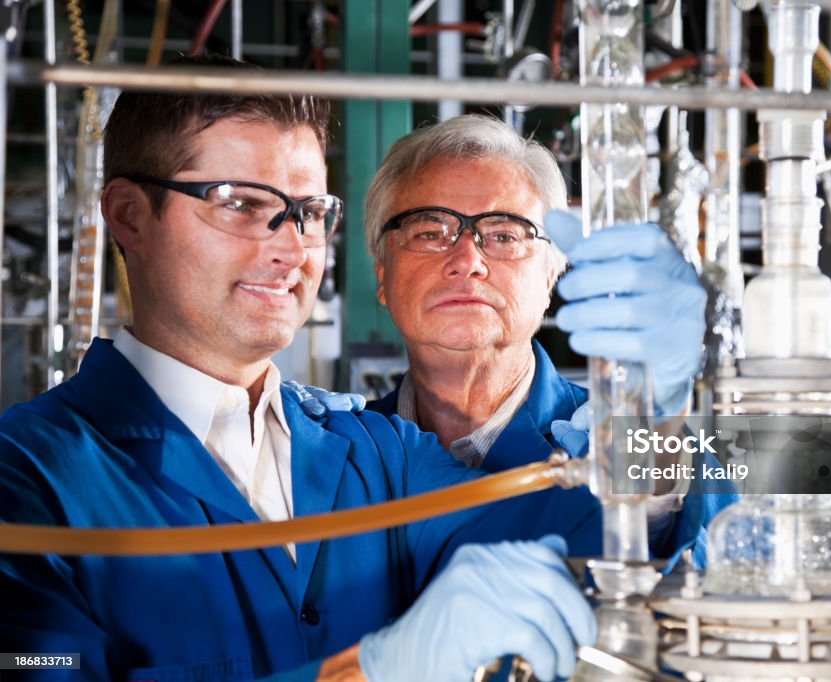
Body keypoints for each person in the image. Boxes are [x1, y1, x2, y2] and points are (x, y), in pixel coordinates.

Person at [0, 58, 605, 682]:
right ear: (129, 215)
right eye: (238, 203)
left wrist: (655, 416)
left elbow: (598, 542)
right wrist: (368, 672)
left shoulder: (372, 451)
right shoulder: (27, 478)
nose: (291, 248)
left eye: (308, 212)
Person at [352, 115, 736, 563]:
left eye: (503, 234)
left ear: (551, 274)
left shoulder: (642, 434)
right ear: (382, 274)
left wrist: (656, 439)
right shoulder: (336, 455)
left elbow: (718, 565)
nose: (467, 260)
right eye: (429, 232)